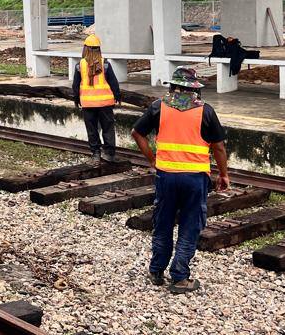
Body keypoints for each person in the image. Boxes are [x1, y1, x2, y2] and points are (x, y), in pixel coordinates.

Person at [130, 66, 229, 294]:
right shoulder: (206, 111)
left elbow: (137, 133)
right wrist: (223, 174)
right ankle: (180, 277)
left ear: (173, 86)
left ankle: (156, 271)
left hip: (166, 177)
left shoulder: (158, 106)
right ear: (194, 88)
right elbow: (219, 147)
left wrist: (153, 159)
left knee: (163, 223)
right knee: (189, 226)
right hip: (195, 179)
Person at [72, 34, 121, 162]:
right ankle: (109, 154)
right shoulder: (105, 64)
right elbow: (113, 82)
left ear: (85, 48)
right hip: (105, 104)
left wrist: (76, 100)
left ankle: (95, 154)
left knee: (92, 130)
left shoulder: (79, 65)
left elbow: (75, 86)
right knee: (108, 129)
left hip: (88, 104)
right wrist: (117, 95)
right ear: (99, 49)